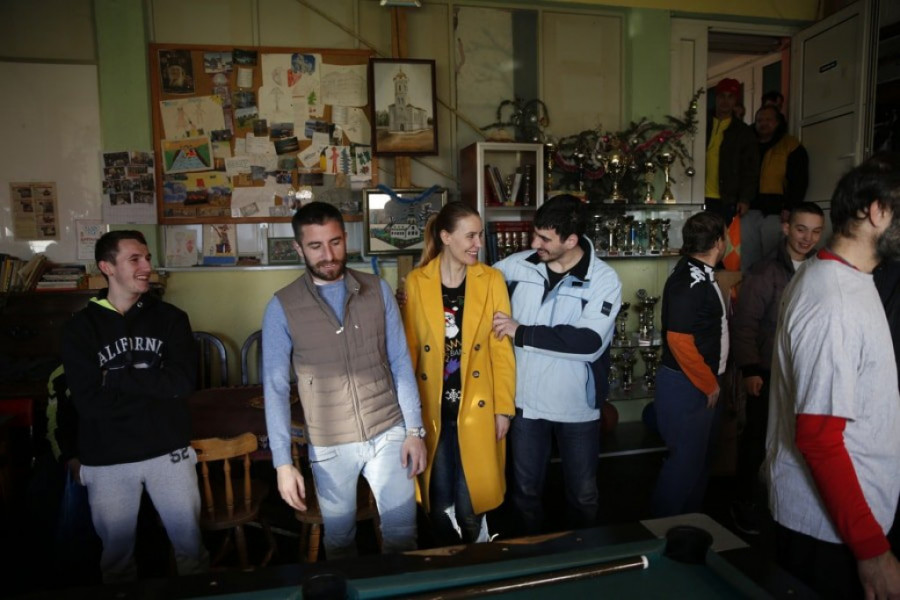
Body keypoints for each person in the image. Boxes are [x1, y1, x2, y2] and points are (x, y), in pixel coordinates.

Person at [764, 153, 900, 599]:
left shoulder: (850, 279)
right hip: (828, 532)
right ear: (877, 210)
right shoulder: (833, 301)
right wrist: (872, 550)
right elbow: (819, 437)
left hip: (844, 521)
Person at [263, 201, 427, 560]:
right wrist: (283, 463)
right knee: (339, 543)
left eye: (335, 242)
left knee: (403, 536)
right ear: (298, 248)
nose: (328, 255)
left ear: (345, 239)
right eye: (315, 246)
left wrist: (414, 431)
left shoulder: (377, 290)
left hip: (388, 432)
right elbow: (274, 389)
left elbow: (400, 362)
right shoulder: (281, 307)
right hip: (329, 444)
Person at [60, 230, 208, 583]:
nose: (146, 267)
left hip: (168, 451)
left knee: (191, 551)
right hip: (107, 459)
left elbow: (182, 383)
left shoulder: (171, 318)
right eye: (134, 259)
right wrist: (153, 384)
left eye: (147, 258)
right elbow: (87, 401)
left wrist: (113, 378)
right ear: (107, 267)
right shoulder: (79, 328)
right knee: (116, 560)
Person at [491, 194, 622, 534]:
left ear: (571, 241)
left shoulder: (604, 280)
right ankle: (531, 557)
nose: (535, 244)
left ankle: (583, 555)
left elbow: (587, 342)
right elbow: (470, 288)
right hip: (524, 404)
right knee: (525, 492)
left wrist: (521, 332)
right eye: (534, 234)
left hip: (576, 407)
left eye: (544, 239)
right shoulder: (515, 266)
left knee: (583, 494)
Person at [400, 202, 516, 545]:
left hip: (477, 410)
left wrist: (503, 408)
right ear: (446, 237)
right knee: (438, 505)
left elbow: (501, 350)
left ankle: (478, 561)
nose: (478, 243)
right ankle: (448, 566)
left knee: (470, 506)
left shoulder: (492, 280)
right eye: (471, 236)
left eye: (479, 235)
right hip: (432, 410)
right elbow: (408, 352)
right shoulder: (416, 282)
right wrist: (408, 418)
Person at [730, 202, 824, 535]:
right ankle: (744, 503)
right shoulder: (765, 271)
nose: (807, 238)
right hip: (767, 371)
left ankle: (785, 505)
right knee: (757, 440)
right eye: (801, 229)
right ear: (786, 228)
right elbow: (745, 325)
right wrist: (750, 370)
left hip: (805, 373)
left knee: (796, 442)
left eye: (815, 232)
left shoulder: (822, 269)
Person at [651, 211, 729, 518]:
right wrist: (709, 383)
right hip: (689, 384)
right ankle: (660, 533)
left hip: (700, 383)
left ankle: (690, 527)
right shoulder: (691, 280)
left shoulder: (698, 272)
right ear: (719, 242)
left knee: (697, 463)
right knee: (684, 465)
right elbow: (679, 340)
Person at [740, 106, 810, 271]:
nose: (763, 124)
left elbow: (799, 180)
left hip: (777, 212)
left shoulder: (790, 145)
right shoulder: (748, 144)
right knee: (747, 258)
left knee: (775, 257)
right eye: (759, 120)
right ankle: (749, 285)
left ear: (778, 122)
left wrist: (790, 207)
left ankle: (775, 286)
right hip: (750, 209)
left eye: (768, 120)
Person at [705, 78, 760, 226]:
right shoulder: (702, 124)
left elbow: (750, 169)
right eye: (722, 96)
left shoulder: (743, 132)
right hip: (697, 194)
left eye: (730, 97)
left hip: (727, 199)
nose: (725, 101)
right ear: (716, 98)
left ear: (735, 100)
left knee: (724, 237)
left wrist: (745, 199)